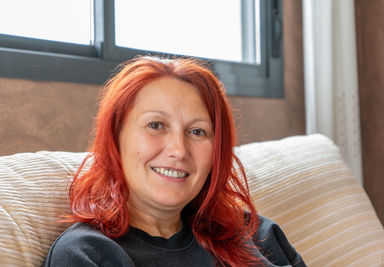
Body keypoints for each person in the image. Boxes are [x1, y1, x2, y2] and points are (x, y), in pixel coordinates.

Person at [43, 56, 306, 267]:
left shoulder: (258, 236)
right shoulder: (86, 254)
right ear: (115, 138)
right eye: (156, 125)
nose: (179, 150)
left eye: (197, 131)